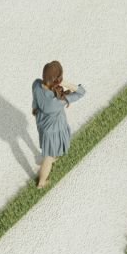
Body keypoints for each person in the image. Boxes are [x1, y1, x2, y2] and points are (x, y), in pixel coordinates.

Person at [31, 60, 85, 188]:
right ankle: (41, 182)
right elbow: (81, 92)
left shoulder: (36, 84)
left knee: (49, 151)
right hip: (53, 130)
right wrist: (64, 83)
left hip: (42, 124)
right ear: (58, 80)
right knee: (48, 158)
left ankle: (50, 156)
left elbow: (36, 100)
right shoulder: (57, 101)